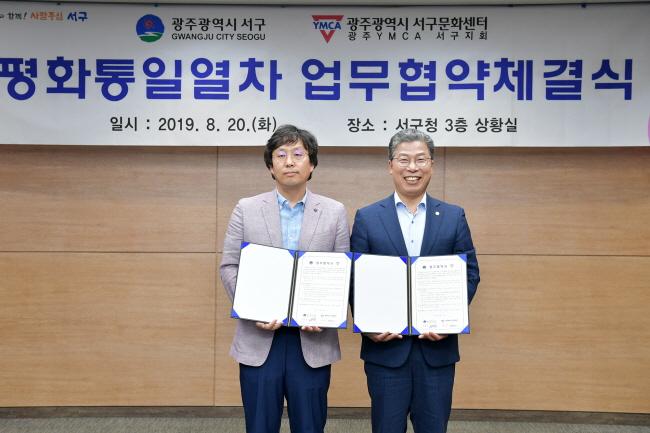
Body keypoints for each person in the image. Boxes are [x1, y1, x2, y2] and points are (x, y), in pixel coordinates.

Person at [220, 124, 350, 433]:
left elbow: (342, 272)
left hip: (312, 340)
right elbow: (229, 266)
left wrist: (325, 314)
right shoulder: (246, 208)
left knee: (310, 426)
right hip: (259, 337)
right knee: (260, 426)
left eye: (298, 154)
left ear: (312, 164)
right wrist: (254, 309)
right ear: (270, 166)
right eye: (281, 155)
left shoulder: (334, 212)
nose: (289, 162)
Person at [350, 129, 480, 433]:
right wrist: (368, 325)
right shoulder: (368, 217)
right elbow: (355, 278)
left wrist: (449, 320)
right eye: (404, 160)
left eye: (421, 160)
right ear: (390, 165)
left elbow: (470, 273)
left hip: (436, 351)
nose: (412, 168)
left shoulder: (453, 216)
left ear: (431, 165)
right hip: (385, 351)